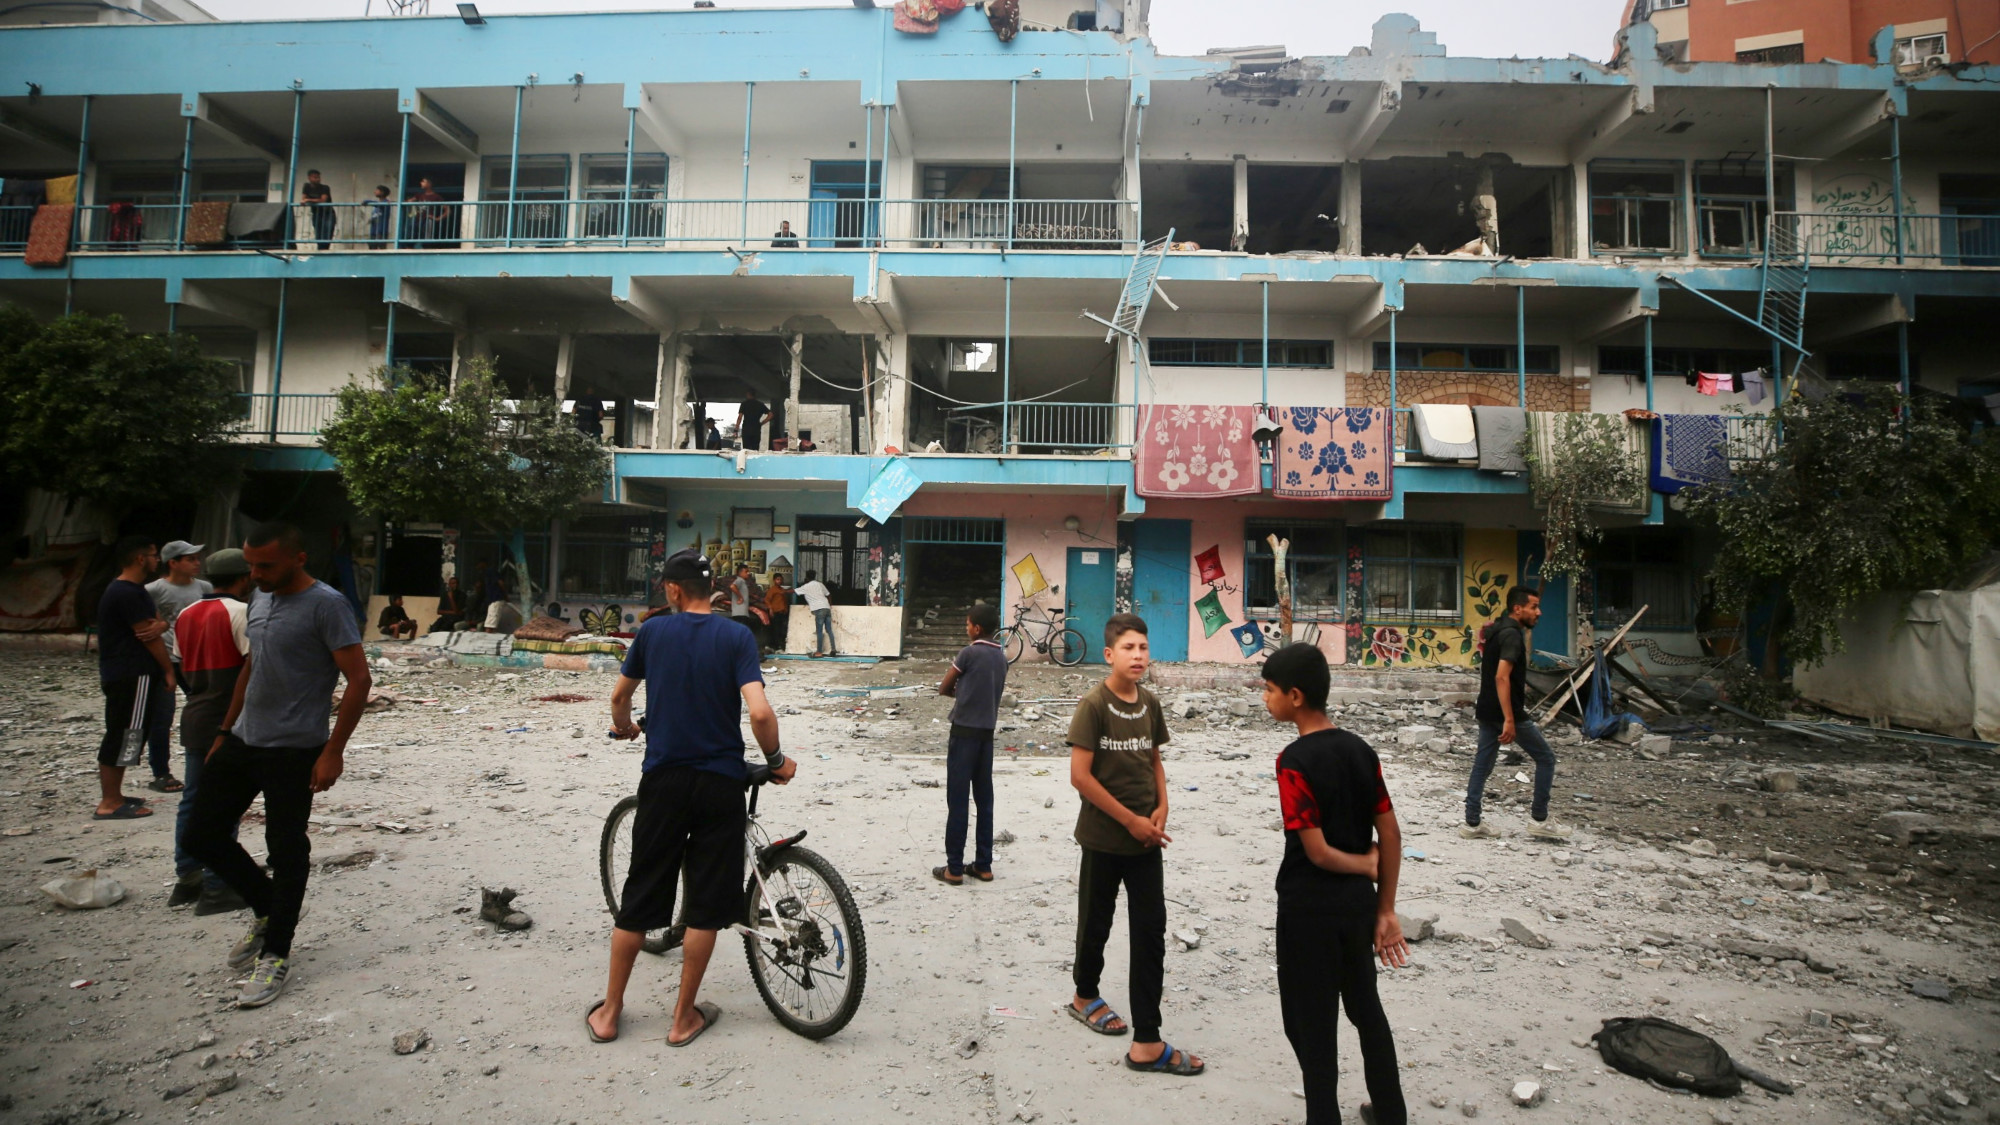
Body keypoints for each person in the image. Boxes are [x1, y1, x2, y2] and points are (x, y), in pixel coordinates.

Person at [589, 548, 798, 1045]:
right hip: (720, 783)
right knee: (705, 905)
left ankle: (610, 1013)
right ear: (713, 590)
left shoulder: (653, 632)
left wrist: (627, 729)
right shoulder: (737, 636)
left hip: (664, 781)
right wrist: (775, 761)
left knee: (639, 897)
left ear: (675, 590)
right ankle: (683, 1018)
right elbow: (761, 715)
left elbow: (620, 699)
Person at [186, 522, 371, 1009]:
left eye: (265, 565)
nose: (255, 574)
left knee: (285, 850)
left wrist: (334, 750)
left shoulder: (328, 605)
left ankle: (277, 951)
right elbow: (253, 664)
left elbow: (358, 679)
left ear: (298, 559)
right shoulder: (259, 600)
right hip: (243, 740)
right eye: (250, 565)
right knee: (202, 834)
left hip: (295, 749)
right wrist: (226, 730)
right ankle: (271, 908)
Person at [1261, 643, 1409, 1125]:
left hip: (1308, 911)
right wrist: (1385, 908)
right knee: (1367, 1011)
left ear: (1296, 696)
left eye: (1270, 689)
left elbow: (1317, 851)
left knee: (1311, 1024)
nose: (1266, 698)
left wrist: (1366, 867)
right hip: (1357, 908)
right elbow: (1389, 830)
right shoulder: (1360, 750)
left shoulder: (1293, 761)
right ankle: (1390, 1112)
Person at [1064, 613, 1203, 1077]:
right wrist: (1131, 822)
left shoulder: (1149, 704)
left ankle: (1147, 1040)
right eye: (1128, 648)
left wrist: (1162, 806)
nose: (1138, 656)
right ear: (1109, 654)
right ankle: (1085, 995)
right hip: (1104, 841)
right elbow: (1080, 777)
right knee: (1096, 923)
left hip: (1147, 843)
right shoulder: (1093, 705)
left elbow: (1154, 759)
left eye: (1143, 647)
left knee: (1150, 936)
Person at [168, 548, 254, 916]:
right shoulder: (241, 613)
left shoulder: (186, 614)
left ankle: (188, 875)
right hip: (227, 720)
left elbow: (181, 664)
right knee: (224, 804)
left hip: (196, 713)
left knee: (194, 798)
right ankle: (219, 886)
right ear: (244, 577)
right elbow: (252, 669)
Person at [1462, 586, 1570, 842]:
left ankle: (1472, 822)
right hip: (1504, 711)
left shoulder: (1497, 629)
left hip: (1486, 708)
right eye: (1534, 607)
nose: (1539, 612)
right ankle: (1540, 820)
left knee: (1483, 764)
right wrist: (1510, 719)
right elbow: (1502, 677)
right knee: (1546, 758)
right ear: (1518, 608)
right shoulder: (1511, 635)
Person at [93, 535, 172, 819]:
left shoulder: (130, 590)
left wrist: (160, 624)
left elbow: (156, 622)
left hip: (126, 672)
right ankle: (110, 801)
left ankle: (114, 794)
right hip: (132, 673)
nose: (157, 560)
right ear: (141, 558)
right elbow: (149, 635)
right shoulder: (128, 592)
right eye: (153, 554)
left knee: (128, 731)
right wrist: (168, 670)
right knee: (126, 733)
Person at [934, 604, 1007, 885]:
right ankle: (983, 865)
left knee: (958, 800)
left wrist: (961, 693)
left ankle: (954, 868)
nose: (966, 628)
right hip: (986, 736)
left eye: (967, 624)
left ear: (977, 627)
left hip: (963, 733)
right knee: (984, 800)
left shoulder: (968, 653)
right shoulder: (1000, 658)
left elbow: (944, 687)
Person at [145, 539, 210, 790]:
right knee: (162, 717)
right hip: (166, 659)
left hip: (196, 659)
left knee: (205, 709)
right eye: (190, 559)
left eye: (197, 558)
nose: (197, 563)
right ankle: (161, 772)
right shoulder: (154, 590)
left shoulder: (205, 587)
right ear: (173, 563)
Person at [796, 569, 834, 657]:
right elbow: (828, 594)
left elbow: (793, 591)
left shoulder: (806, 586)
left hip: (819, 609)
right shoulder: (820, 584)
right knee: (829, 630)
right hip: (826, 607)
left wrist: (782, 591)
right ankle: (833, 649)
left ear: (807, 577)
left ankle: (819, 652)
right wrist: (830, 605)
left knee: (819, 631)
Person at [300, 169, 334, 250]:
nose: (317, 179)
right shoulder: (306, 186)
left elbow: (323, 200)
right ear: (309, 178)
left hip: (328, 213)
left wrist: (308, 200)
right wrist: (305, 200)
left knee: (327, 233)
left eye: (318, 177)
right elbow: (303, 199)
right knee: (318, 233)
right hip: (317, 213)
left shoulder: (325, 188)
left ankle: (325, 250)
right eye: (315, 177)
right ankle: (320, 249)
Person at [763, 572, 791, 651]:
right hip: (775, 612)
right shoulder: (772, 590)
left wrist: (785, 610)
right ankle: (774, 646)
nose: (779, 581)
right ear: (774, 580)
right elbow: (767, 600)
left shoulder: (782, 590)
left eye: (780, 579)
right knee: (775, 630)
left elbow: (784, 601)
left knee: (781, 630)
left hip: (782, 613)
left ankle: (779, 646)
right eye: (777, 579)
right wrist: (770, 609)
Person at [367, 184, 392, 249]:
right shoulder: (378, 204)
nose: (375, 192)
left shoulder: (386, 202)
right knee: (372, 249)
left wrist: (368, 201)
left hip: (381, 231)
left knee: (381, 249)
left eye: (377, 190)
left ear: (382, 192)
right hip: (374, 231)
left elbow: (380, 205)